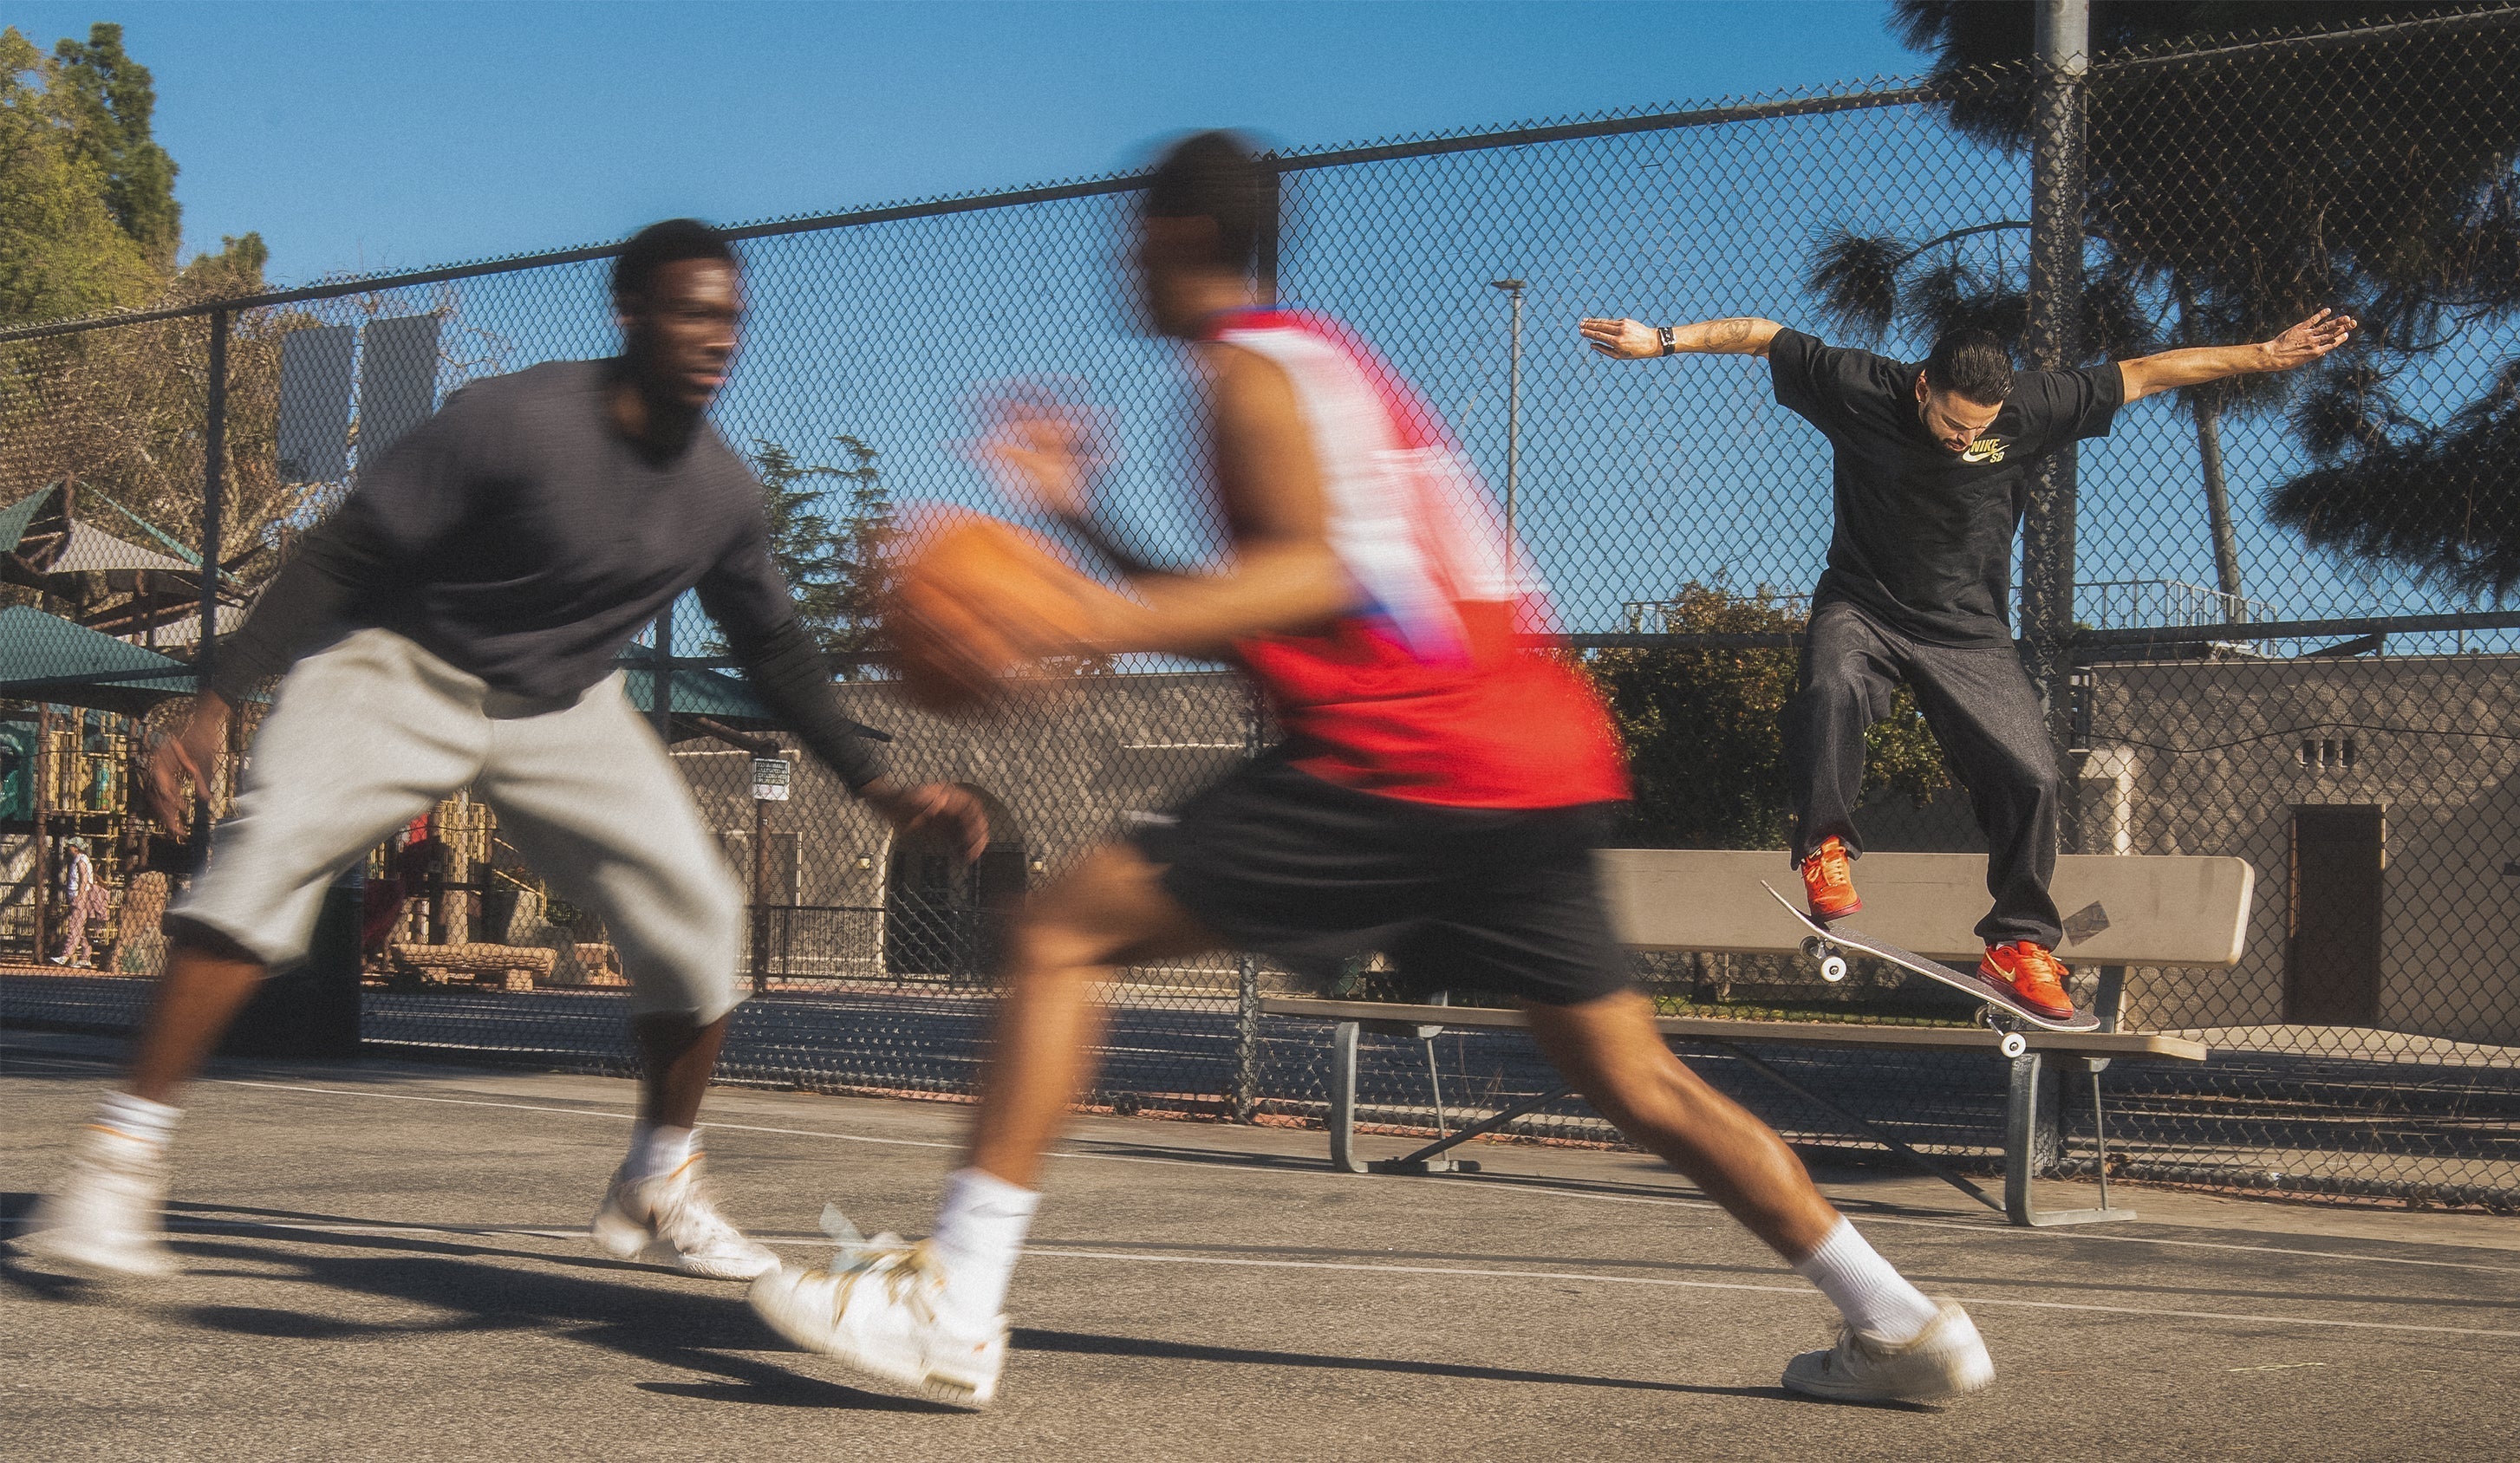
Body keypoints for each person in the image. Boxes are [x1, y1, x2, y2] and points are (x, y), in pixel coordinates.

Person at [746, 132, 1992, 1409]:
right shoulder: (1321, 366)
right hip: (1532, 755)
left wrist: (1077, 614)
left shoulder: (1248, 373)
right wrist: (1083, 522)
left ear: (1182, 237)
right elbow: (1275, 599)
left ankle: (952, 1303)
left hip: (1410, 751)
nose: (1121, 255)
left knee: (1060, 933)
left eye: (1135, 231)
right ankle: (1900, 1324)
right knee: (1637, 1079)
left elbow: (1314, 572)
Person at [15, 219, 986, 1284]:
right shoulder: (515, 421)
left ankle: (661, 1176)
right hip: (398, 666)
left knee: (702, 914)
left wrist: (877, 782)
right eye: (692, 311)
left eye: (732, 319)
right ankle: (113, 1170)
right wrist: (214, 697)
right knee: (264, 855)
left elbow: (775, 646)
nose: (717, 337)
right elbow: (341, 550)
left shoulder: (720, 493)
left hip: (563, 705)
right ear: (632, 316)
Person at [1577, 305, 2354, 1020]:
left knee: (2034, 776)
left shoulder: (2031, 409)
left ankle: (2017, 943)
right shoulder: (1858, 386)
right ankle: (1825, 846)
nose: (1961, 438)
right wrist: (1663, 341)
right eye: (1951, 422)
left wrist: (2268, 353)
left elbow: (2148, 371)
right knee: (1831, 685)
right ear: (1922, 387)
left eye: (1975, 428)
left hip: (1968, 632)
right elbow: (1762, 333)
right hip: (1863, 606)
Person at [52, 836, 111, 969]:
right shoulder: (79, 859)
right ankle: (85, 957)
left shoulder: (81, 860)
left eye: (70, 846)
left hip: (80, 898)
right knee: (81, 929)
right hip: (77, 897)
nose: (68, 848)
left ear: (76, 848)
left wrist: (80, 896)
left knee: (74, 926)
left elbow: (84, 879)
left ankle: (65, 955)